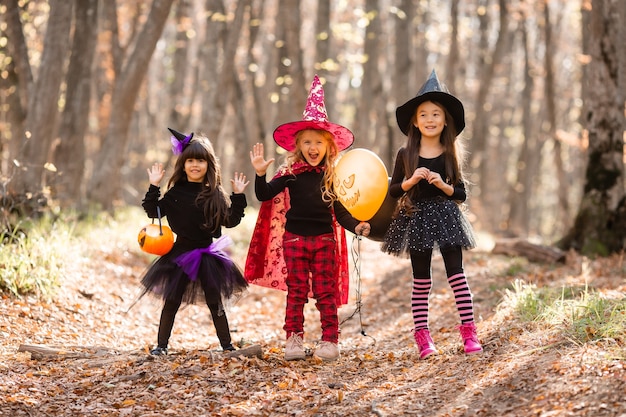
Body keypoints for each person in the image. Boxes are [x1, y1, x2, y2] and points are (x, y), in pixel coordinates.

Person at [245, 75, 371, 362]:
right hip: (295, 239)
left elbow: (341, 213)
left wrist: (357, 225)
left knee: (326, 292)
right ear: (298, 146)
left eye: (318, 142)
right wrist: (259, 172)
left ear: (329, 147)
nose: (313, 147)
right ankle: (294, 339)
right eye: (307, 142)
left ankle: (330, 340)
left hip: (325, 240)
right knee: (297, 291)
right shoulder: (290, 175)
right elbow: (264, 194)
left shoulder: (333, 177)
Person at [382, 70, 482, 359]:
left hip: (447, 216)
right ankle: (423, 338)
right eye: (423, 114)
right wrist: (411, 181)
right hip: (417, 218)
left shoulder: (449, 152)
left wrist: (443, 186)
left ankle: (469, 331)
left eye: (435, 114)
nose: (429, 120)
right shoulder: (406, 153)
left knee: (457, 275)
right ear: (415, 120)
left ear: (445, 119)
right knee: (421, 280)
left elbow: (461, 192)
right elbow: (393, 190)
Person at [138, 128, 250, 355]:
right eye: (190, 160)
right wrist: (153, 186)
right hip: (179, 254)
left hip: (207, 253)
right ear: (183, 164)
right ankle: (161, 345)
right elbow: (154, 211)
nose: (195, 165)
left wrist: (238, 196)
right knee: (172, 300)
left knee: (214, 301)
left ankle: (227, 345)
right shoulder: (175, 193)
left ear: (208, 165)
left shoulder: (214, 194)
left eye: (200, 160)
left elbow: (230, 220)